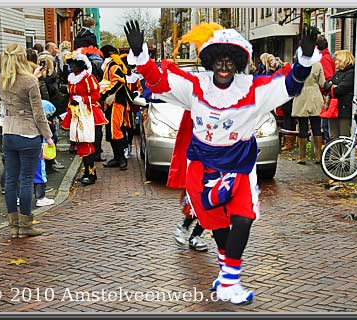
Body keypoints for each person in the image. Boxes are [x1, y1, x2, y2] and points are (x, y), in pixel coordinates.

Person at [124, 20, 319, 304]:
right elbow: (160, 82)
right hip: (202, 166)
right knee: (217, 225)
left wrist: (303, 59)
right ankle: (226, 273)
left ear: (238, 62)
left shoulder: (252, 88)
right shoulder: (196, 86)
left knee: (243, 219)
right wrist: (141, 54)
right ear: (211, 62)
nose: (224, 66)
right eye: (219, 60)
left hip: (239, 163)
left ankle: (230, 281)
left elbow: (289, 85)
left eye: (230, 60)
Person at [0, 43, 54, 238]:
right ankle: (27, 224)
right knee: (27, 180)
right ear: (23, 58)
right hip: (28, 133)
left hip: (9, 133)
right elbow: (38, 114)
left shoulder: (1, 80)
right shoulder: (30, 81)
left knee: (11, 180)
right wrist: (48, 136)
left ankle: (13, 226)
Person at [61, 51, 108, 185]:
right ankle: (87, 172)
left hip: (89, 114)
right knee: (81, 143)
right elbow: (71, 96)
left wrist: (81, 100)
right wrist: (70, 107)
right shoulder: (71, 78)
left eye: (75, 64)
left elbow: (96, 96)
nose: (72, 67)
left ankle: (91, 174)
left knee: (88, 143)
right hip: (77, 113)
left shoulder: (88, 78)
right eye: (71, 65)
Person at [100, 45, 136, 171]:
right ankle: (117, 157)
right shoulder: (111, 64)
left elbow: (120, 81)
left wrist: (106, 93)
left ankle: (122, 159)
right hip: (111, 102)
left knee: (116, 129)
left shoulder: (114, 65)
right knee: (110, 131)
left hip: (117, 102)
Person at [291, 58, 325, 164]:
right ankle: (318, 156)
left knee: (302, 127)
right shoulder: (318, 65)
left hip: (301, 95)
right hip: (314, 95)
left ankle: (302, 157)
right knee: (316, 126)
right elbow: (322, 83)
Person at [323, 50, 355, 139]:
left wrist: (331, 86)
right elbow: (328, 85)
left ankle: (344, 153)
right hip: (333, 109)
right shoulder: (338, 73)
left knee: (343, 136)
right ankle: (334, 153)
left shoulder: (351, 73)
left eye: (336, 60)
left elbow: (339, 89)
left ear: (343, 60)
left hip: (344, 109)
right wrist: (331, 86)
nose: (335, 62)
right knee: (333, 135)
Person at [316, 35, 336, 144]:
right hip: (327, 95)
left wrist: (323, 90)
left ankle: (329, 151)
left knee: (325, 125)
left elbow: (327, 78)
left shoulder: (324, 59)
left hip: (326, 97)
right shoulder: (327, 57)